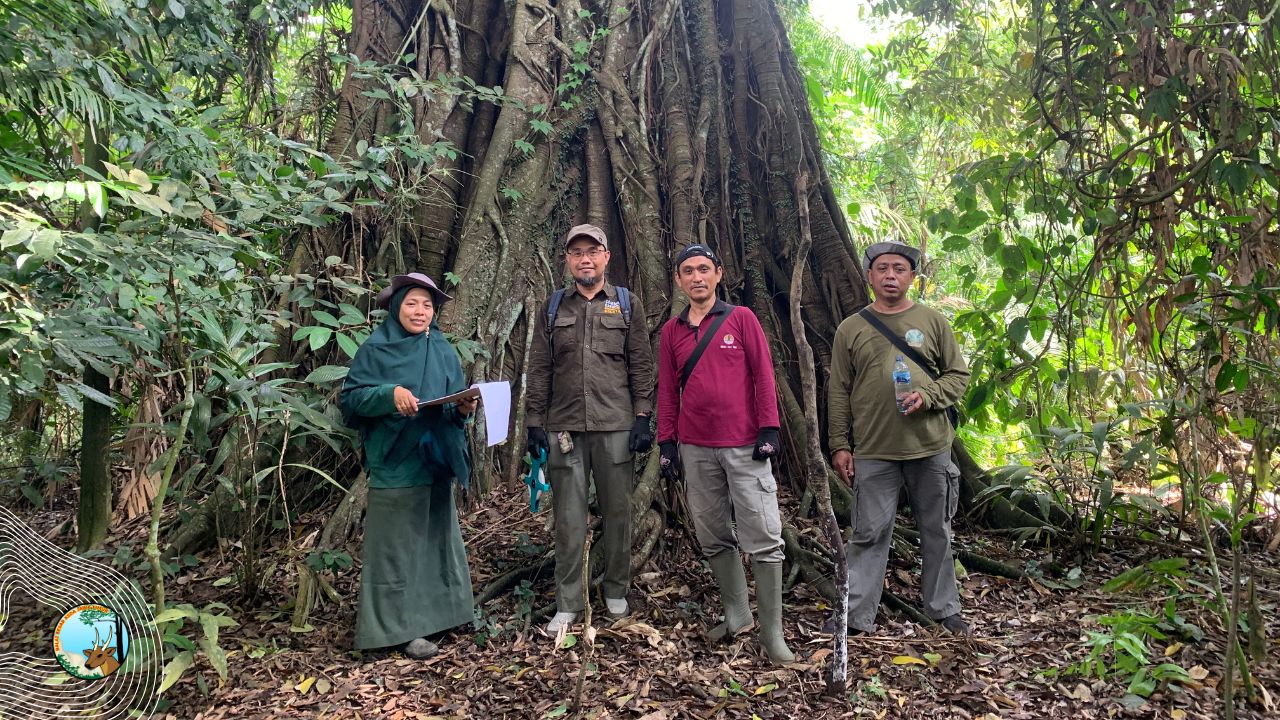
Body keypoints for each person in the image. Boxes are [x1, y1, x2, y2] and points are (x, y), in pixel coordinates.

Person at [655, 244, 795, 665]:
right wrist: (667, 442)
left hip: (744, 445)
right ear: (679, 281)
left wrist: (769, 428)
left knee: (764, 536)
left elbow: (763, 374)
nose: (696, 278)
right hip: (696, 447)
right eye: (687, 272)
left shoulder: (742, 319)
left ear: (718, 274)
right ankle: (738, 614)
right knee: (713, 532)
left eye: (704, 269)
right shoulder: (671, 332)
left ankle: (773, 633)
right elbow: (667, 390)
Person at [827, 240, 972, 635]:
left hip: (930, 447)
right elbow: (839, 389)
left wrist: (928, 396)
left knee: (937, 529)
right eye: (883, 269)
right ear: (870, 275)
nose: (891, 275)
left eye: (900, 269)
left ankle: (944, 609)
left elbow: (958, 376)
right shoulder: (851, 328)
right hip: (874, 447)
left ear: (912, 276)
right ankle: (856, 616)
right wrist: (840, 444)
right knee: (869, 532)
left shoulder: (933, 321)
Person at [340, 273, 479, 659]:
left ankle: (436, 618)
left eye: (427, 306)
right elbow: (350, 403)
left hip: (433, 458)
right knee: (395, 547)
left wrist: (463, 409)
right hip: (395, 459)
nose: (420, 312)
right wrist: (389, 395)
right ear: (396, 307)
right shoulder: (376, 349)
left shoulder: (443, 349)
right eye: (412, 304)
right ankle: (387, 633)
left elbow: (452, 407)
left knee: (434, 539)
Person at [525, 224, 655, 633]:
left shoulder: (625, 304)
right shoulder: (553, 307)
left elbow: (641, 364)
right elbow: (540, 369)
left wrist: (642, 417)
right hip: (563, 427)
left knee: (618, 512)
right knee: (568, 517)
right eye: (576, 252)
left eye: (592, 251)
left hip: (615, 425)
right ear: (567, 260)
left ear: (606, 257)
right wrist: (533, 422)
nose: (585, 258)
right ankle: (568, 601)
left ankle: (616, 590)